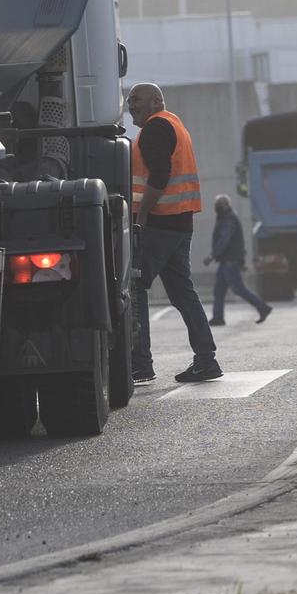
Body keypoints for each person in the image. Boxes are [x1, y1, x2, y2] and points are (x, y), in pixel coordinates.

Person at [126, 82, 222, 384]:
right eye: (129, 101)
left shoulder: (155, 128)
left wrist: (140, 216)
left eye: (138, 100)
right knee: (183, 294)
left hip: (159, 224)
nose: (132, 105)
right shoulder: (174, 123)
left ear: (157, 101)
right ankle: (206, 361)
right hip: (179, 224)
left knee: (137, 288)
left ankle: (141, 364)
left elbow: (159, 176)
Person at [204, 194, 272, 326]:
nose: (216, 207)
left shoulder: (228, 219)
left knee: (239, 289)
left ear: (224, 205)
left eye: (218, 204)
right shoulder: (226, 218)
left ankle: (262, 307)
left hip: (230, 260)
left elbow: (225, 239)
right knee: (218, 290)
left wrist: (212, 255)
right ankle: (218, 317)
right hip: (226, 260)